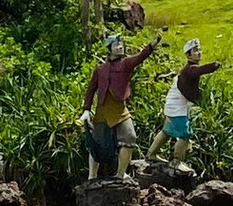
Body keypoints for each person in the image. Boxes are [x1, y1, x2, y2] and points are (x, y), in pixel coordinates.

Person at [79, 33, 161, 179]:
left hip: (120, 110)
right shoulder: (100, 69)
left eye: (121, 44)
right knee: (96, 145)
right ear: (109, 49)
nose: (120, 47)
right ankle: (92, 176)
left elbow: (140, 57)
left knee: (129, 137)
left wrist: (151, 46)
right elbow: (91, 90)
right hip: (103, 110)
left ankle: (120, 174)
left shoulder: (126, 64)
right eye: (116, 45)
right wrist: (86, 109)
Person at [147, 38, 221, 173]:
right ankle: (176, 161)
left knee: (167, 131)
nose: (199, 52)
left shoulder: (188, 69)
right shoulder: (190, 69)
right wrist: (213, 66)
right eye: (195, 50)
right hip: (177, 106)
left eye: (199, 49)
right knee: (185, 133)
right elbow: (199, 71)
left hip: (175, 104)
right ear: (188, 55)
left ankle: (151, 154)